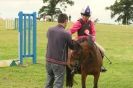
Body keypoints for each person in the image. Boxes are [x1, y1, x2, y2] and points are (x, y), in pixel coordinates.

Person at [68, 5, 107, 72]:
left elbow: (93, 32)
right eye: (84, 15)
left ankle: (100, 66)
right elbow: (72, 30)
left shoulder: (91, 23)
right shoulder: (79, 22)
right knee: (73, 52)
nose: (85, 17)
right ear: (82, 15)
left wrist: (93, 37)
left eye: (87, 16)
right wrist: (67, 35)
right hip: (80, 41)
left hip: (89, 41)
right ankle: (74, 67)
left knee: (102, 50)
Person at [45, 13, 75, 88]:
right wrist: (73, 40)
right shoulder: (67, 33)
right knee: (58, 83)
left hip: (48, 60)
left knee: (49, 81)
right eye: (67, 21)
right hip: (59, 62)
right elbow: (72, 46)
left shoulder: (50, 30)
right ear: (65, 21)